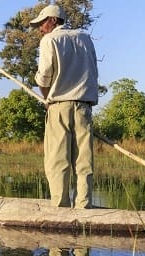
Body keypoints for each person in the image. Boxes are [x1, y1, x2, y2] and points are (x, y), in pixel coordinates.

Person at [29, 4, 99, 209]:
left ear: (52, 20)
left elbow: (43, 78)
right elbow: (94, 70)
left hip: (58, 106)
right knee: (83, 160)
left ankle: (60, 207)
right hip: (84, 107)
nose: (40, 28)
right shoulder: (85, 38)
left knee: (57, 160)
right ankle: (83, 206)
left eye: (41, 23)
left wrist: (47, 99)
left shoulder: (49, 40)